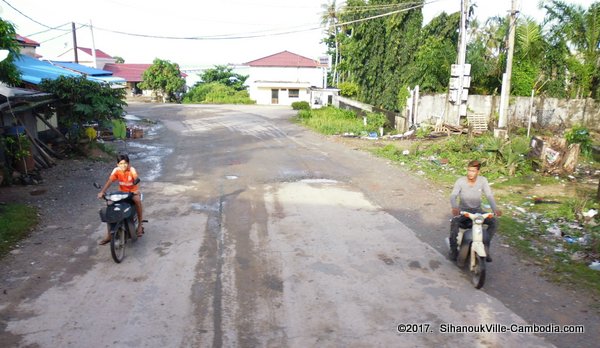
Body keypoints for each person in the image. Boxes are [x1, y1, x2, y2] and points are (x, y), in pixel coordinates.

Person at [449, 160, 502, 262]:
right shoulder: (460, 181)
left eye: (473, 171)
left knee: (494, 222)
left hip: (477, 211)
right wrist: (455, 207)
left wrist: (495, 209)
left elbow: (489, 195)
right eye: (469, 170)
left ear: (478, 172)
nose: (470, 173)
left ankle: (485, 247)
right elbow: (453, 195)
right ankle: (453, 250)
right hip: (463, 212)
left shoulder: (483, 181)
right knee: (454, 223)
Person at [97, 154, 144, 245]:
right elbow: (109, 181)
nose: (123, 165)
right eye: (121, 163)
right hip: (121, 193)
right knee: (110, 207)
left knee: (137, 201)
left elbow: (136, 178)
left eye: (125, 163)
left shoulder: (132, 170)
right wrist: (102, 192)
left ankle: (140, 225)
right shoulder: (116, 170)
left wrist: (136, 189)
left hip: (132, 192)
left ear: (128, 163)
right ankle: (109, 235)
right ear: (117, 164)